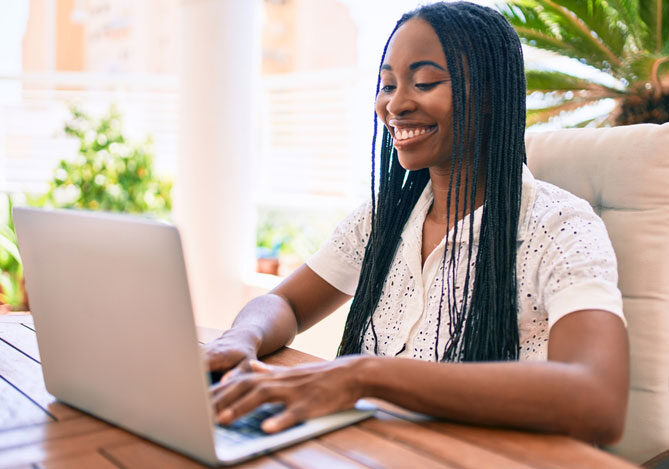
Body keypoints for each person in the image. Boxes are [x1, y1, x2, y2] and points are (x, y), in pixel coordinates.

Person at [206, 1, 629, 444]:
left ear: (488, 96)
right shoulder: (382, 220)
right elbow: (287, 305)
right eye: (387, 84)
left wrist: (365, 376)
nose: (396, 104)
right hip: (367, 450)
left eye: (424, 82)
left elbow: (597, 398)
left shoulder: (559, 228)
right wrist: (242, 337)